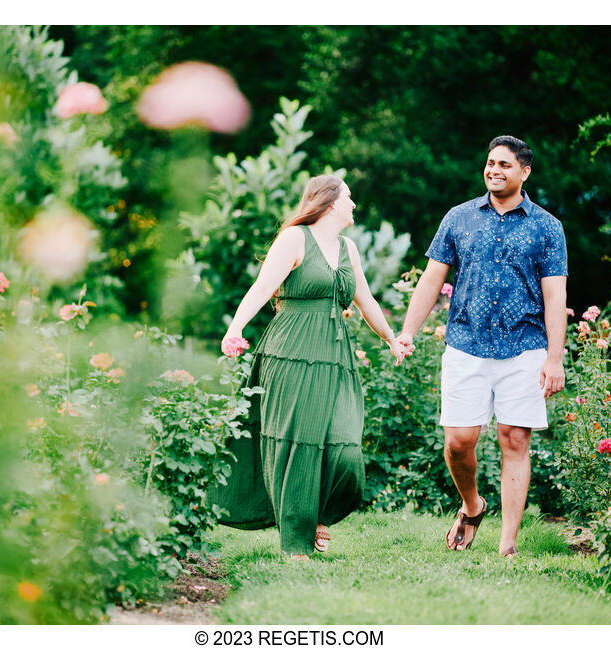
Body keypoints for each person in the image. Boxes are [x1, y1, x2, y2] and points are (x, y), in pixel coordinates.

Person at [211, 174, 409, 560]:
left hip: (335, 357)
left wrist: (391, 338)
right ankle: (295, 545)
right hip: (291, 352)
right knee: (296, 445)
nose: (354, 205)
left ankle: (320, 515)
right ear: (331, 202)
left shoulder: (348, 247)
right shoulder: (294, 239)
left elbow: (364, 298)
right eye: (349, 198)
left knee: (346, 448)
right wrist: (234, 329)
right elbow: (261, 288)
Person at [396, 136, 568, 557]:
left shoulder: (547, 227)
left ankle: (507, 543)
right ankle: (473, 506)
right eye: (490, 163)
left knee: (514, 439)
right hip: (466, 343)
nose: (494, 170)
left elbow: (555, 296)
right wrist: (407, 331)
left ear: (524, 172)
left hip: (524, 346)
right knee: (458, 440)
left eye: (504, 165)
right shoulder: (459, 218)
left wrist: (554, 358)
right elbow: (432, 278)